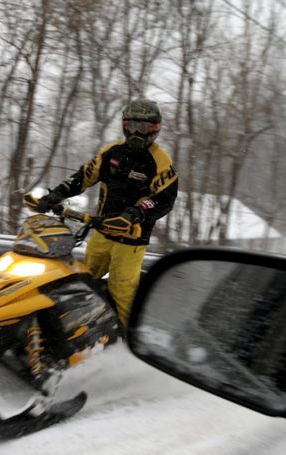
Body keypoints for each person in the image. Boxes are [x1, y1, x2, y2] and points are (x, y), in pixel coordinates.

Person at [25, 98, 178, 327]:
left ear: (155, 129)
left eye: (144, 127)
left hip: (132, 239)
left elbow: (164, 199)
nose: (137, 132)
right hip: (101, 231)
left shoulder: (160, 161)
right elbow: (82, 177)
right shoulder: (111, 152)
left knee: (122, 289)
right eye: (132, 125)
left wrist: (135, 213)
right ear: (124, 125)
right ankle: (79, 328)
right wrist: (55, 196)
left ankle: (128, 341)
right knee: (84, 282)